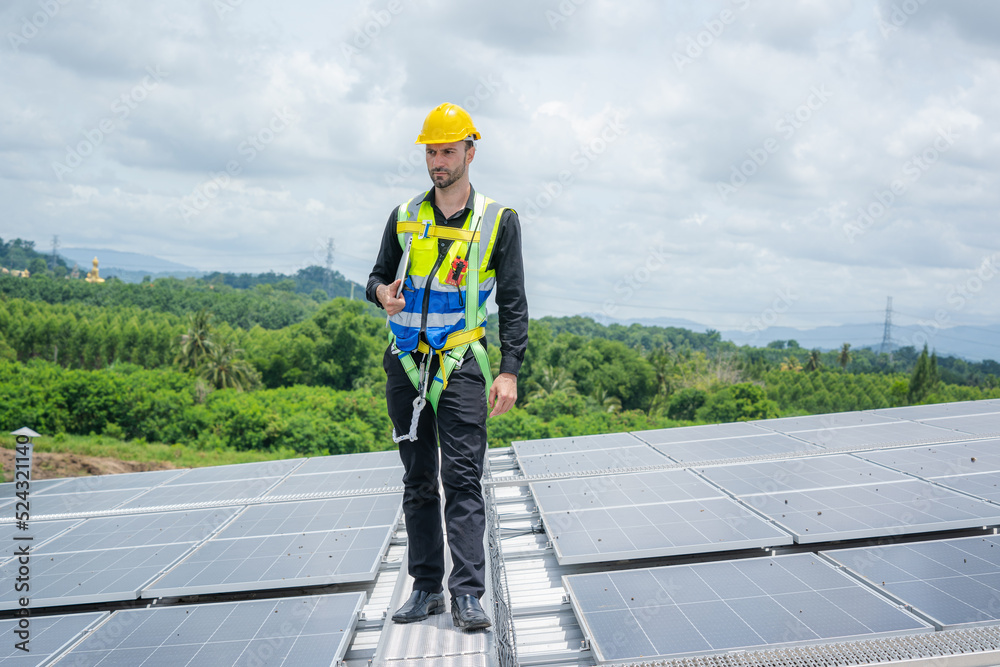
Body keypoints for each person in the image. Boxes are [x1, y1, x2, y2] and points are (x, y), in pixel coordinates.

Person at [367, 103, 528, 631]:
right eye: (431, 151)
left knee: (462, 479)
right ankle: (427, 588)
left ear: (469, 153)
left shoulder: (498, 221)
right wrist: (380, 295)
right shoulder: (405, 215)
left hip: (461, 364)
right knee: (418, 481)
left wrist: (509, 370)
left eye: (447, 151)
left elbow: (513, 302)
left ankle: (467, 595)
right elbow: (376, 277)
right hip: (406, 363)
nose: (438, 161)